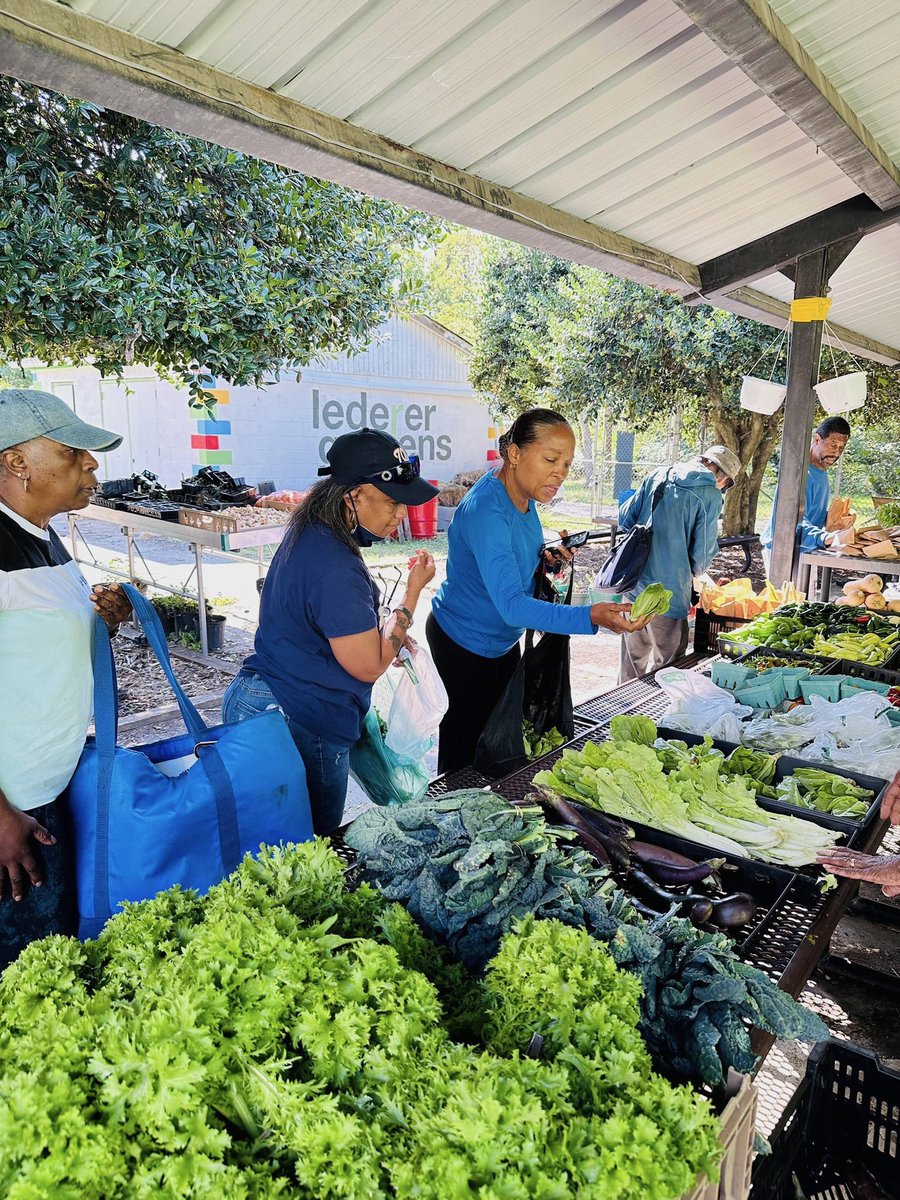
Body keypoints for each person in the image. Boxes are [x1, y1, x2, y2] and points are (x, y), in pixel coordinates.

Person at [223, 428, 437, 835]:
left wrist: (385, 630)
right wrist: (411, 595)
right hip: (296, 716)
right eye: (392, 502)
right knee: (308, 846)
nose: (400, 516)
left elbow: (325, 622)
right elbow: (369, 666)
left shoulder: (314, 532)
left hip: (266, 699)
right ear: (352, 496)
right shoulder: (335, 565)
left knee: (272, 844)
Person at [426, 408, 645, 776]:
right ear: (515, 454)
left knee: (500, 748)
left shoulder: (523, 497)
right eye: (550, 459)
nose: (560, 473)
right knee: (464, 759)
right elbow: (511, 605)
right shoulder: (486, 510)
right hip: (463, 644)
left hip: (501, 644)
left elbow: (510, 561)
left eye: (567, 464)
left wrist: (544, 561)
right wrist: (588, 616)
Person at [0, 388, 131, 967]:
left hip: (46, 794)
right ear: (15, 462)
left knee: (53, 957)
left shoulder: (42, 535)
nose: (91, 463)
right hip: (11, 813)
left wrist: (102, 620)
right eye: (73, 450)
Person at [617, 444, 741, 683]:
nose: (723, 488)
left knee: (631, 663)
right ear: (720, 474)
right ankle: (658, 717)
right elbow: (701, 554)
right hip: (670, 593)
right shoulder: (710, 494)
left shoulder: (658, 474)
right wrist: (695, 573)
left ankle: (622, 716)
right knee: (669, 669)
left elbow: (625, 518)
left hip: (634, 583)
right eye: (726, 484)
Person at [761, 416, 853, 575]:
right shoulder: (800, 474)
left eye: (841, 447)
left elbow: (810, 513)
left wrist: (834, 518)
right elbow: (791, 520)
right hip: (783, 551)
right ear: (817, 439)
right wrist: (825, 537)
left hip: (806, 549)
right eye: (833, 444)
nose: (837, 452)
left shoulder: (821, 472)